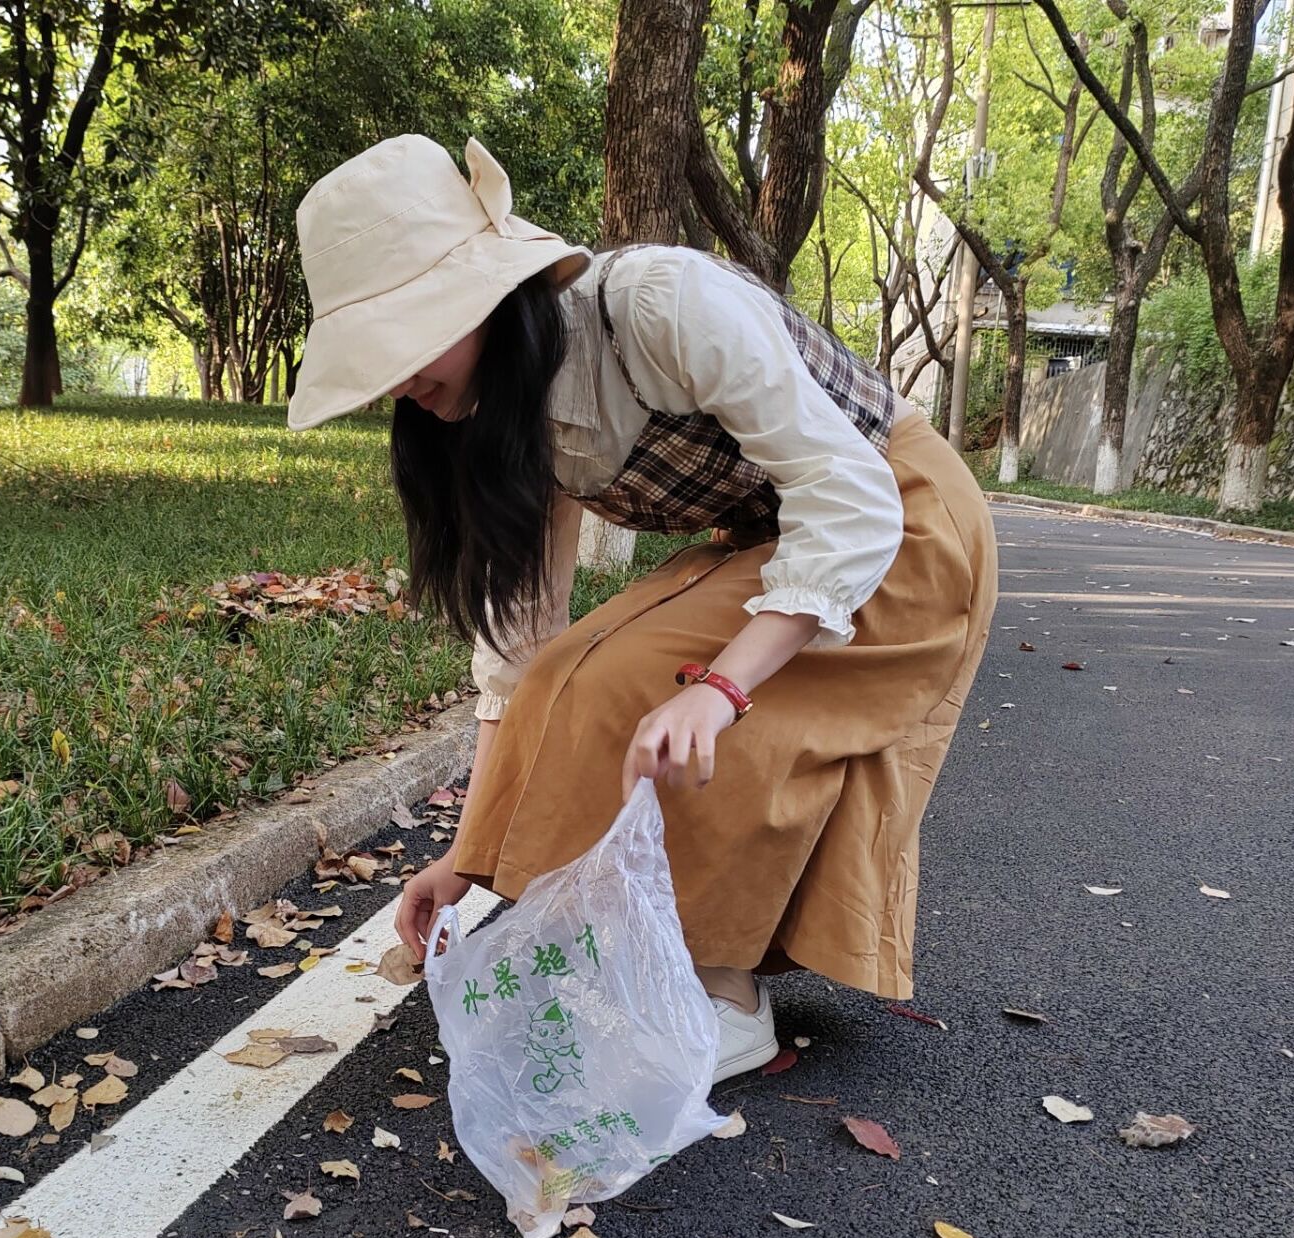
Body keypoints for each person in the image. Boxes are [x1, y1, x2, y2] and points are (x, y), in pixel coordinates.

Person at [288, 135, 997, 1081]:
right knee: (575, 677)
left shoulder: (660, 307)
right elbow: (521, 648)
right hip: (780, 539)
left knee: (651, 686)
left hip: (902, 527)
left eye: (407, 339)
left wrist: (720, 689)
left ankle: (721, 992)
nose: (395, 383)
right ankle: (646, 954)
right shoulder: (497, 411)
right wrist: (465, 859)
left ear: (490, 296)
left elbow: (848, 497)